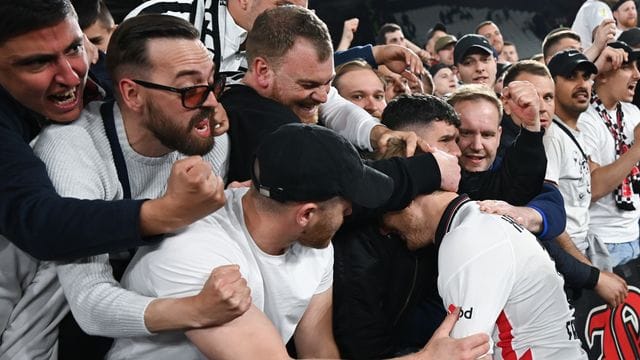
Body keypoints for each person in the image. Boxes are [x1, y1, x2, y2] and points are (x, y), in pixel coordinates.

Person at [108, 123, 488, 360]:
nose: (353, 213)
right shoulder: (200, 259)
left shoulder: (313, 242)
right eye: (346, 205)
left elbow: (319, 353)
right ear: (306, 214)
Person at [0, 1, 226, 357]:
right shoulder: (66, 145)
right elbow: (42, 224)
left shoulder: (199, 129)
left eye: (75, 47)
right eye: (37, 62)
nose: (73, 76)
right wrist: (164, 214)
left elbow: (128, 74)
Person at [381, 189, 588, 359]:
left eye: (383, 214)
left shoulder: (467, 238)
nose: (384, 229)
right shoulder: (480, 219)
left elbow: (469, 354)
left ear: (408, 199)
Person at [544, 49, 628, 305]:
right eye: (571, 77)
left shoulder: (575, 131)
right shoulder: (551, 138)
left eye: (587, 77)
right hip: (561, 263)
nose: (582, 84)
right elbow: (550, 219)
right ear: (552, 84)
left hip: (578, 255)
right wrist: (590, 273)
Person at [578, 41, 640, 267]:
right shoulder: (585, 119)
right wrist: (637, 149)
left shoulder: (632, 112)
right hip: (603, 242)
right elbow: (591, 189)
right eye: (627, 67)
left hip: (635, 232)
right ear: (602, 76)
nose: (637, 74)